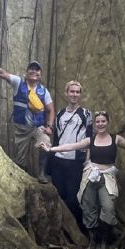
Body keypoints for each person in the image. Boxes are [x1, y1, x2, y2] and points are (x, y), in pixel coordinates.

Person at [41, 112, 125, 249]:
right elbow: (72, 146)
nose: (100, 124)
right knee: (88, 207)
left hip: (108, 176)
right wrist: (50, 149)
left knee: (108, 207)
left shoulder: (115, 138)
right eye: (98, 122)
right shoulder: (90, 140)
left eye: (103, 121)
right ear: (95, 124)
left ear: (108, 122)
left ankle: (104, 242)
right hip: (90, 175)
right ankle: (93, 241)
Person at [0, 54, 55, 182]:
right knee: (20, 159)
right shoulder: (18, 82)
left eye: (37, 69)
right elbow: (1, 73)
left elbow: (51, 110)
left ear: (40, 74)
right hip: (22, 128)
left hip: (38, 127)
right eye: (31, 69)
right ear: (26, 72)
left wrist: (49, 126)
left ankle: (42, 173)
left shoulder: (44, 91)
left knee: (45, 142)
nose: (34, 71)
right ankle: (22, 177)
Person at [50, 81, 92, 227]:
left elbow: (89, 139)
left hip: (75, 162)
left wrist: (87, 160)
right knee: (59, 194)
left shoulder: (86, 114)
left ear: (80, 95)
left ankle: (79, 228)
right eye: (72, 91)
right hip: (59, 160)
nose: (74, 95)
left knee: (73, 196)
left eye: (77, 92)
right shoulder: (60, 114)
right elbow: (56, 138)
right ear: (66, 93)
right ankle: (62, 228)